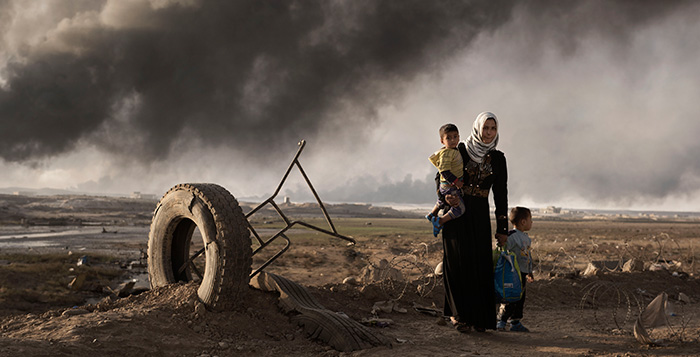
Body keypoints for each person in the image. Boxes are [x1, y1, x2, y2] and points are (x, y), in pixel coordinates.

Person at [441, 111, 509, 333]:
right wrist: (444, 197)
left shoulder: (498, 159)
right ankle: (458, 315)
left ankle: (479, 319)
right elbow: (440, 174)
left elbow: (501, 195)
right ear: (477, 128)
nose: (488, 133)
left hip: (480, 213)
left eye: (493, 129)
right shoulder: (459, 150)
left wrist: (503, 229)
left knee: (479, 264)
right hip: (457, 212)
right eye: (485, 128)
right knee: (457, 262)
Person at [497, 206, 534, 332]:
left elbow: (528, 255)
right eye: (530, 219)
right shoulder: (511, 236)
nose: (532, 222)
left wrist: (530, 271)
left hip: (522, 273)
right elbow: (503, 250)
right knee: (510, 297)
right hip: (512, 273)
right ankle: (501, 321)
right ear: (523, 222)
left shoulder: (526, 238)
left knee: (520, 297)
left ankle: (515, 322)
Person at [426, 123, 466, 237]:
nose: (453, 140)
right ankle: (440, 221)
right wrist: (456, 182)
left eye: (455, 136)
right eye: (448, 138)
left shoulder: (454, 150)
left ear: (459, 137)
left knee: (442, 201)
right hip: (450, 186)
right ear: (442, 141)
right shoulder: (446, 154)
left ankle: (432, 214)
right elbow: (444, 171)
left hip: (446, 186)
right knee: (460, 209)